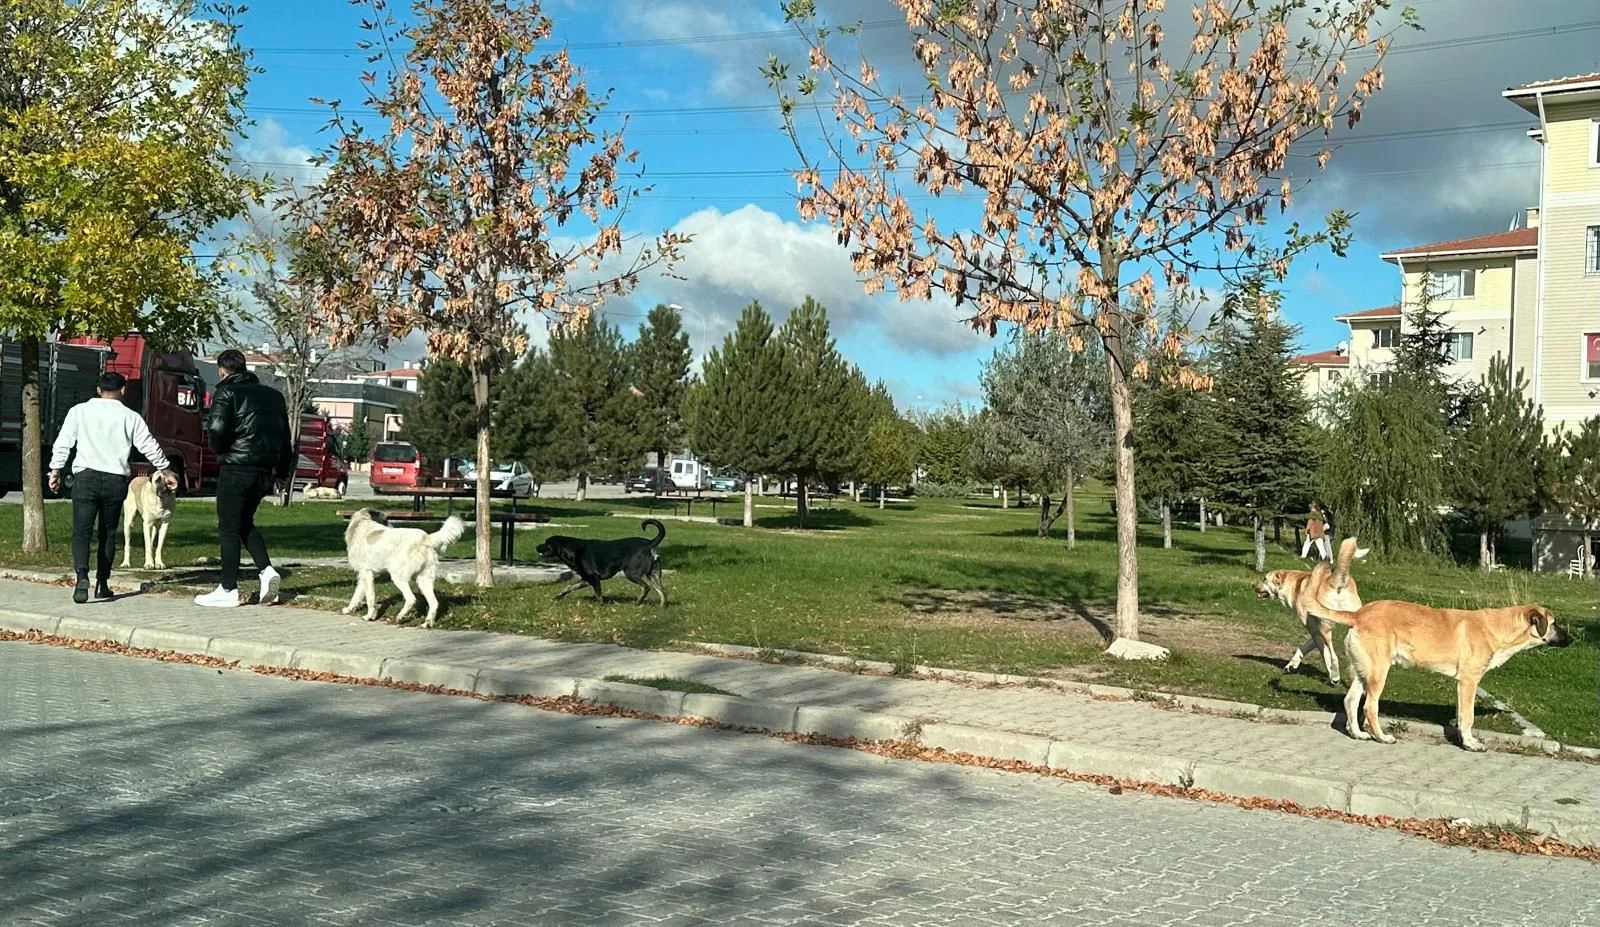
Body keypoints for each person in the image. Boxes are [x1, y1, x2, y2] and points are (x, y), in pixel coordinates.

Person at [48, 372, 180, 604]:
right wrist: (166, 469)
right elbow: (148, 445)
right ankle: (103, 582)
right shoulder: (130, 417)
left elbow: (64, 442)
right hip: (115, 480)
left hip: (85, 477)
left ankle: (81, 576)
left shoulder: (79, 411)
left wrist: (55, 470)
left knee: (82, 531)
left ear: (98, 390)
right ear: (123, 390)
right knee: (108, 533)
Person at [194, 349, 294, 608]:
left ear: (222, 370)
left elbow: (216, 427)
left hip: (237, 467)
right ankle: (267, 570)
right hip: (264, 471)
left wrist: (222, 451)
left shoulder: (226, 392)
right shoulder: (274, 396)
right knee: (243, 523)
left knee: (228, 526)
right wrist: (283, 472)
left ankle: (228, 588)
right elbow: (285, 438)